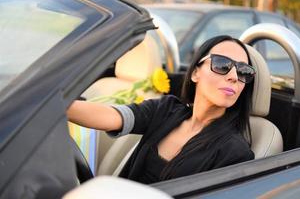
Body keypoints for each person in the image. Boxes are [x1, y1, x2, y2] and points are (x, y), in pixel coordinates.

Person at [67, 35, 256, 184]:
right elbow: (111, 116)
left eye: (243, 71)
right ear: (195, 72)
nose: (233, 76)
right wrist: (53, 105)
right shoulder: (166, 109)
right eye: (222, 64)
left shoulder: (235, 153)